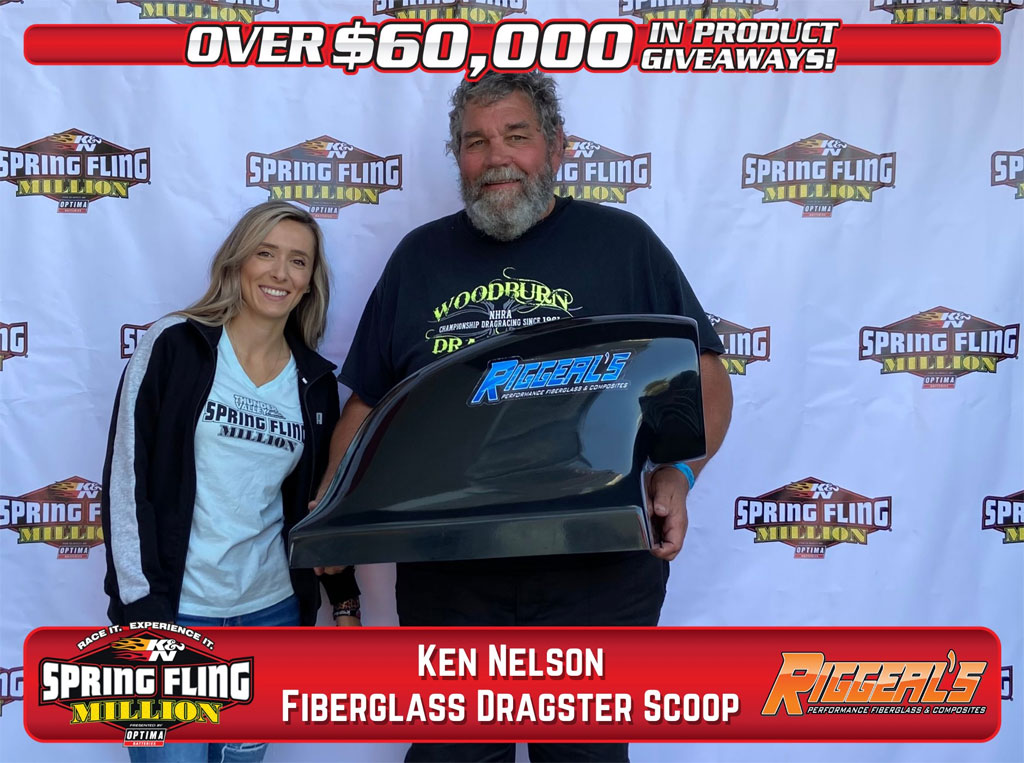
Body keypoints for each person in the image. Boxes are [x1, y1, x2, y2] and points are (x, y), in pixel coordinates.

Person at [319, 72, 733, 763]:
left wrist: (681, 472)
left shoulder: (623, 244)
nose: (497, 158)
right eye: (475, 142)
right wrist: (336, 505)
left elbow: (707, 375)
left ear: (558, 146)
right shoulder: (420, 258)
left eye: (517, 136)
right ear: (457, 157)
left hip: (598, 565)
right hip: (451, 569)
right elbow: (367, 404)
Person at [100, 201, 360, 763]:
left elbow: (319, 503)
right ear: (237, 261)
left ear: (309, 281)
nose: (280, 273)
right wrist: (143, 614)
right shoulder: (174, 346)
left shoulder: (314, 382)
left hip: (269, 613)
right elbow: (126, 483)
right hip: (174, 614)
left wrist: (344, 601)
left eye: (298, 261)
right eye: (266, 253)